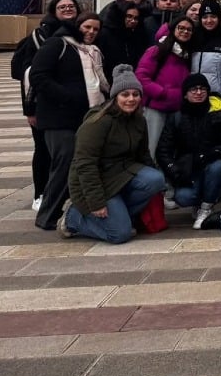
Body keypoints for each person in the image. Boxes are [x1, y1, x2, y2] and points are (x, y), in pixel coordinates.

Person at [57, 64, 165, 243]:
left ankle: (119, 213)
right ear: (115, 97)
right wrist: (96, 202)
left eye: (135, 94)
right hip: (94, 183)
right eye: (125, 95)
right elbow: (85, 165)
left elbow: (143, 155)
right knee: (119, 234)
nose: (131, 99)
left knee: (155, 180)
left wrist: (156, 189)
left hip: (121, 176)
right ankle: (73, 218)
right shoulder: (98, 123)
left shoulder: (139, 120)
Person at [29, 11, 109, 230]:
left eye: (95, 29)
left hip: (84, 116)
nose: (91, 32)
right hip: (58, 118)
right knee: (65, 163)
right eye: (87, 27)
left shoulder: (93, 52)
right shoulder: (58, 44)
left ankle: (62, 210)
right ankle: (47, 215)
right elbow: (38, 76)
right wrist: (67, 96)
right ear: (77, 26)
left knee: (78, 164)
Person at [12, 0, 80, 212]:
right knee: (43, 149)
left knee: (68, 151)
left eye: (71, 6)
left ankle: (65, 192)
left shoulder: (82, 32)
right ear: (54, 11)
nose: (68, 9)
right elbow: (27, 75)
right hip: (45, 104)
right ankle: (40, 193)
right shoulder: (39, 37)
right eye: (62, 7)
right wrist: (29, 110)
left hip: (71, 105)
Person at [156, 74, 221, 228]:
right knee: (184, 197)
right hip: (188, 169)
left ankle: (206, 207)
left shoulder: (220, 113)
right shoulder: (177, 118)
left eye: (202, 89)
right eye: (193, 89)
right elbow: (163, 150)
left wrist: (211, 153)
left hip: (212, 163)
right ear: (185, 94)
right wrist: (173, 170)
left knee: (218, 167)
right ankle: (198, 203)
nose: (199, 92)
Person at [135, 15, 195, 161]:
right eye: (181, 28)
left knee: (170, 149)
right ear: (173, 29)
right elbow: (141, 76)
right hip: (156, 107)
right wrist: (161, 93)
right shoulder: (157, 50)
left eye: (189, 29)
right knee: (152, 147)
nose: (185, 32)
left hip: (176, 109)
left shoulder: (186, 54)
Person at [187, 0, 221, 104]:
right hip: (192, 98)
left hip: (216, 99)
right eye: (205, 17)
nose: (209, 20)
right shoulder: (192, 40)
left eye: (213, 16)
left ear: (219, 18)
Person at [98, 0, 151, 79]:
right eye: (129, 16)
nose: (133, 21)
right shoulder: (105, 34)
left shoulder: (136, 35)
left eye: (136, 18)